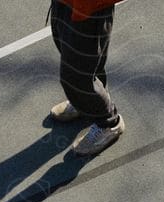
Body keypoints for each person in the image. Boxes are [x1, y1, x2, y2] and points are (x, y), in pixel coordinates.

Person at [47, 0, 125, 158]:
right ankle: (86, 104)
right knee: (72, 51)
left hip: (87, 7)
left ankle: (108, 123)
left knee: (76, 76)